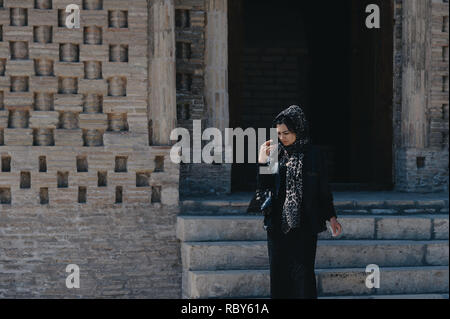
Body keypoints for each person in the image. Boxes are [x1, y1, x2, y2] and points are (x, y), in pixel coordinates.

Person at [252, 104, 342, 299]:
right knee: (279, 277)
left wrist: (331, 216)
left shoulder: (315, 155)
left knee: (304, 277)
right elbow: (263, 188)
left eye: (286, 133)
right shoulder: (275, 154)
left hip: (305, 226)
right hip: (277, 227)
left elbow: (323, 190)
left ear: (298, 129)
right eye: (279, 133)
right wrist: (262, 161)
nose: (282, 138)